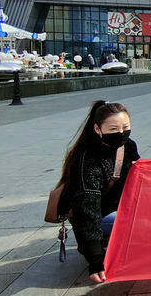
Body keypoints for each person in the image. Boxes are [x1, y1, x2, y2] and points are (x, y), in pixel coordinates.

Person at [56, 101, 139, 283]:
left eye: (125, 127)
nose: (121, 133)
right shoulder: (89, 160)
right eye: (113, 128)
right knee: (139, 220)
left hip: (117, 205)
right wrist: (95, 261)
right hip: (95, 214)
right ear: (97, 129)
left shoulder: (128, 146)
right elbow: (87, 210)